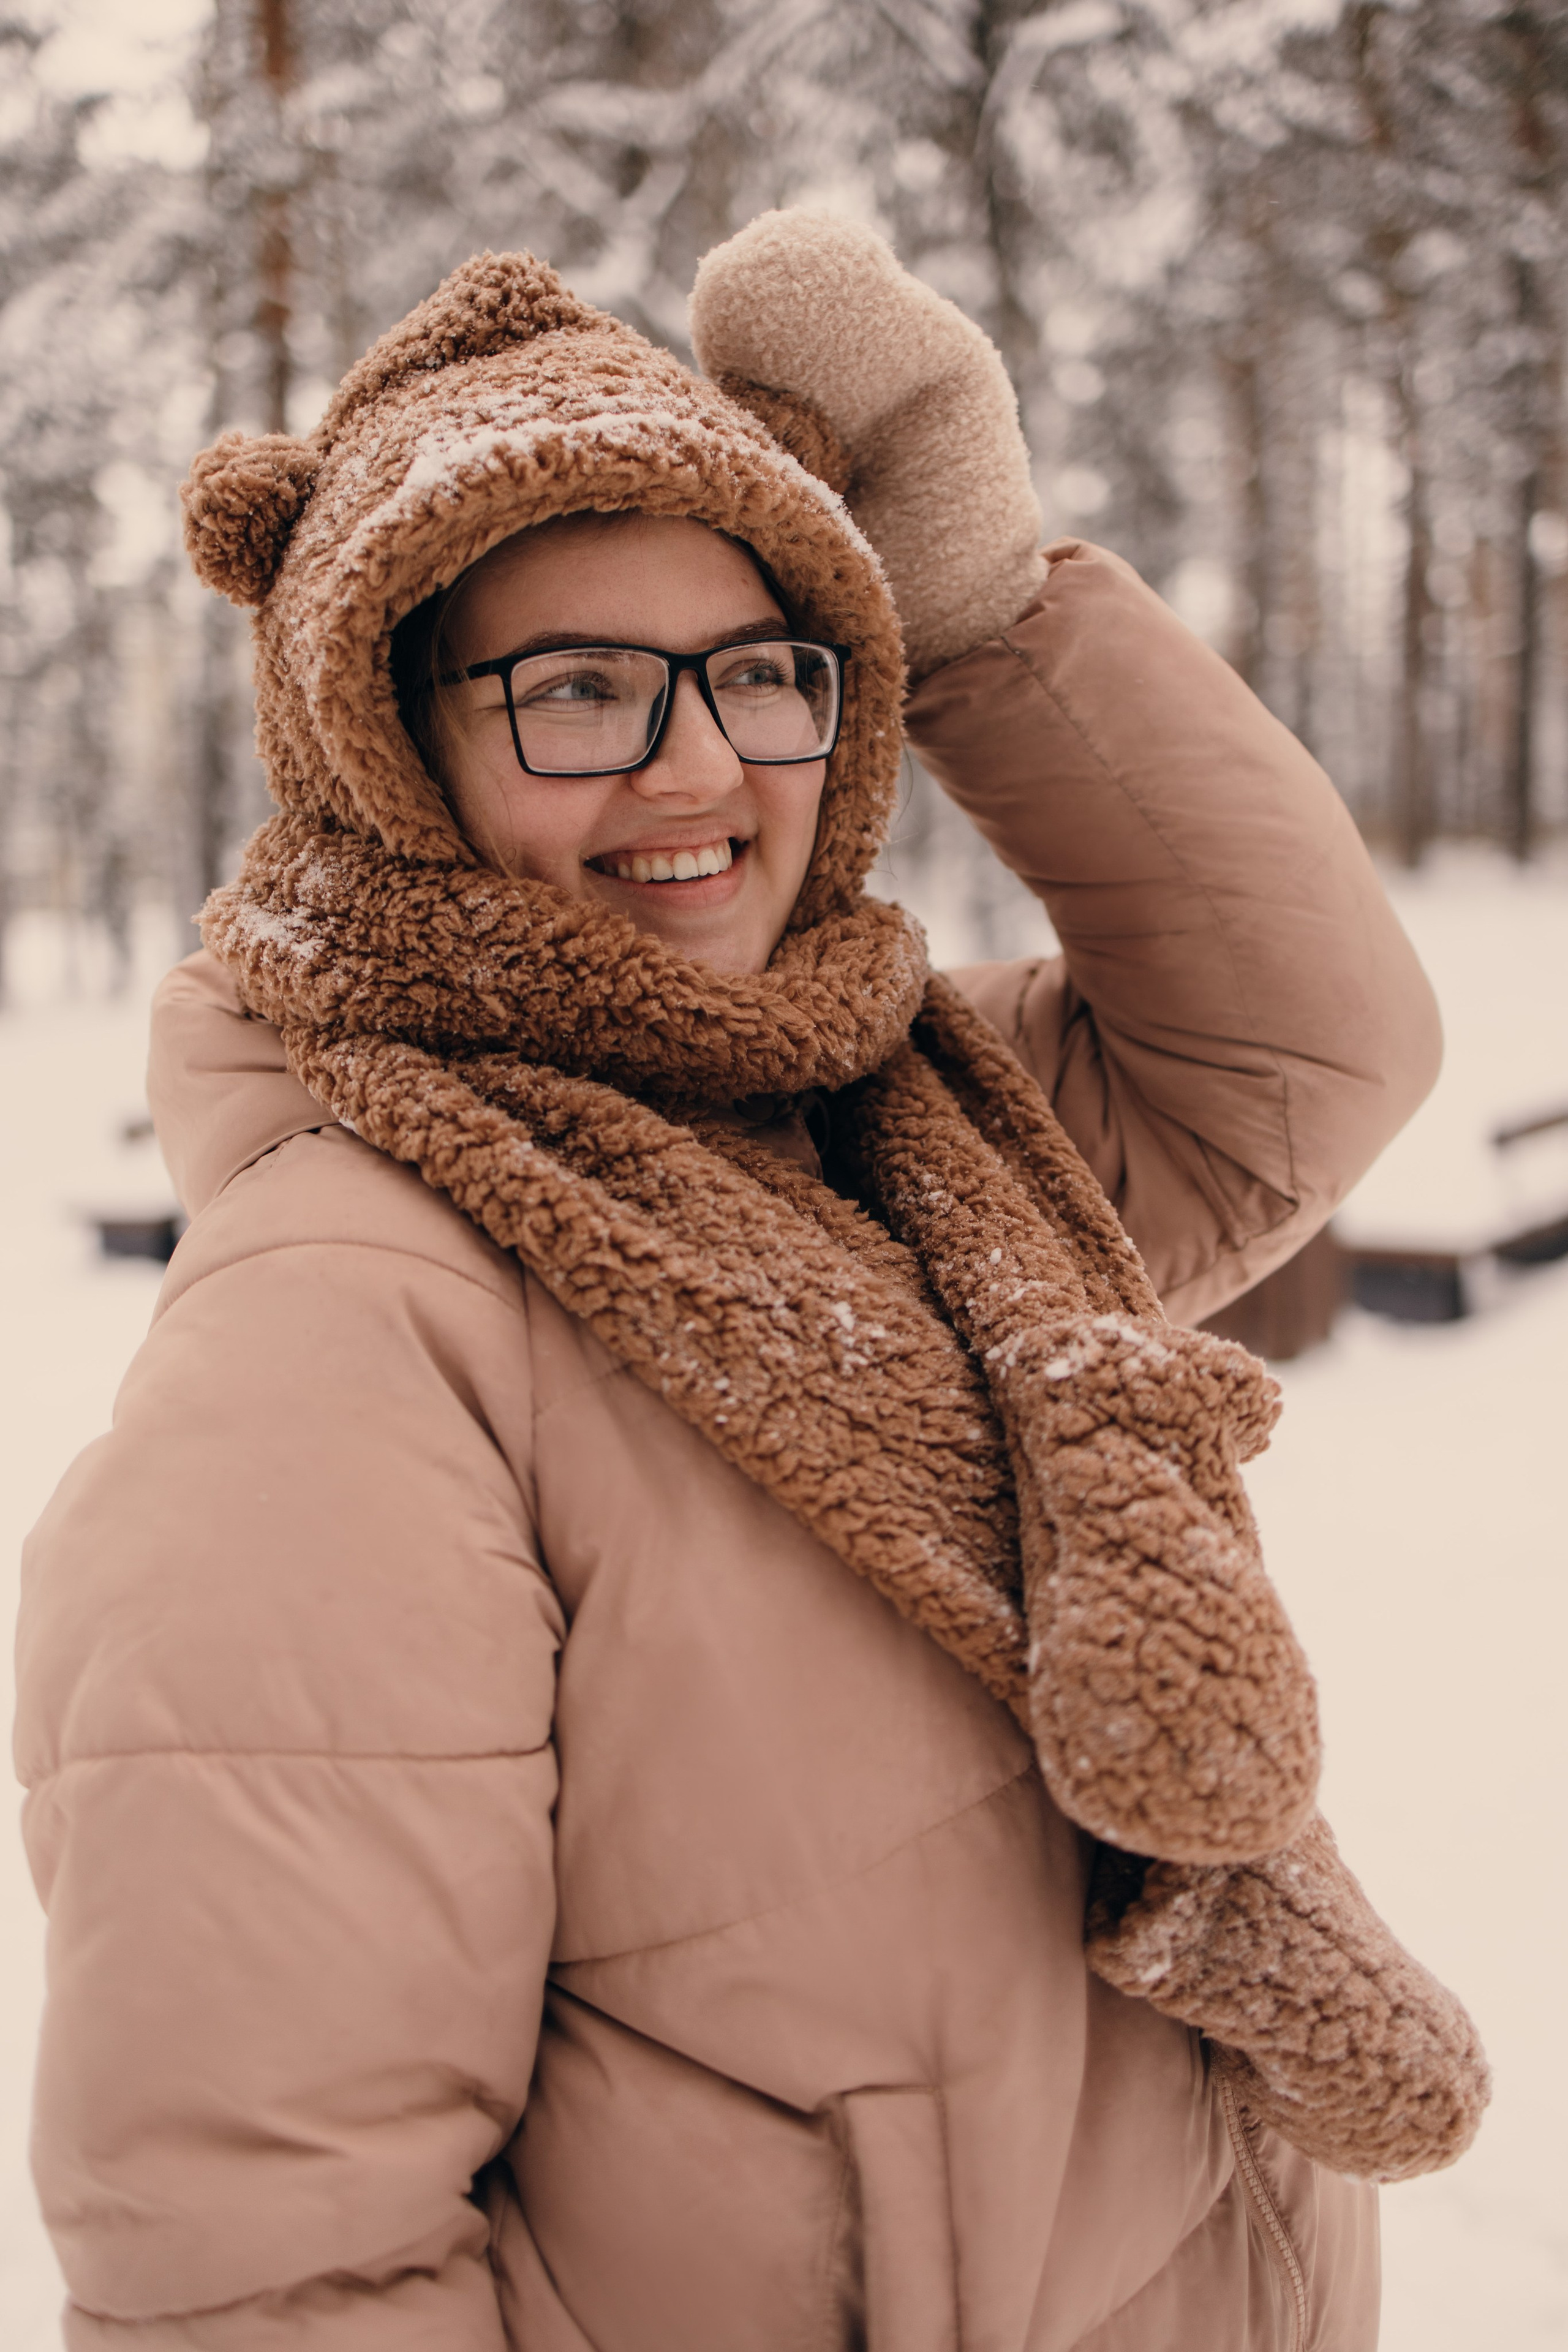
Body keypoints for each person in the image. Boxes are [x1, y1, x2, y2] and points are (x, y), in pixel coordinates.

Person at [16, 211, 1485, 2352]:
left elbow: (1300, 1053)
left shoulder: (912, 1132)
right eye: (578, 692)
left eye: (764, 671)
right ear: (393, 751)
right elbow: (268, 2248)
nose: (697, 769)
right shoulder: (341, 1330)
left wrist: (979, 596)